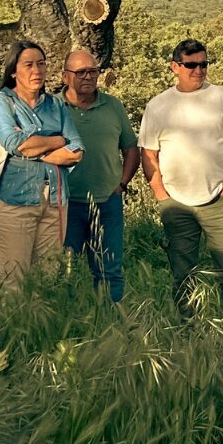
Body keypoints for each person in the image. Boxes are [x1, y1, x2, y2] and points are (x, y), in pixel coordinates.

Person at [140, 39, 223, 318]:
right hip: (176, 202)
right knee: (183, 272)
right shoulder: (158, 105)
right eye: (191, 65)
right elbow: (148, 153)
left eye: (204, 64)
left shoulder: (222, 97)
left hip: (219, 199)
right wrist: (160, 194)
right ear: (175, 67)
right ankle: (186, 327)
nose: (199, 70)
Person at [0, 40, 84, 292]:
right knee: (12, 280)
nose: (37, 71)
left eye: (41, 64)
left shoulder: (56, 105)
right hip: (14, 200)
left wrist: (35, 148)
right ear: (13, 71)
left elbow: (76, 152)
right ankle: (12, 320)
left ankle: (39, 320)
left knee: (46, 281)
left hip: (55, 201)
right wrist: (58, 140)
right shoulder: (0, 102)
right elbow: (16, 144)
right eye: (28, 65)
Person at [60, 48, 140, 302]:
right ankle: (67, 318)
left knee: (109, 270)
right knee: (63, 271)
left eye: (93, 71)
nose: (88, 77)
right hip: (64, 205)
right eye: (81, 72)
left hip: (107, 203)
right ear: (65, 76)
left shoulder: (113, 106)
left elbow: (131, 148)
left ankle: (111, 317)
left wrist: (122, 184)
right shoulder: (52, 107)